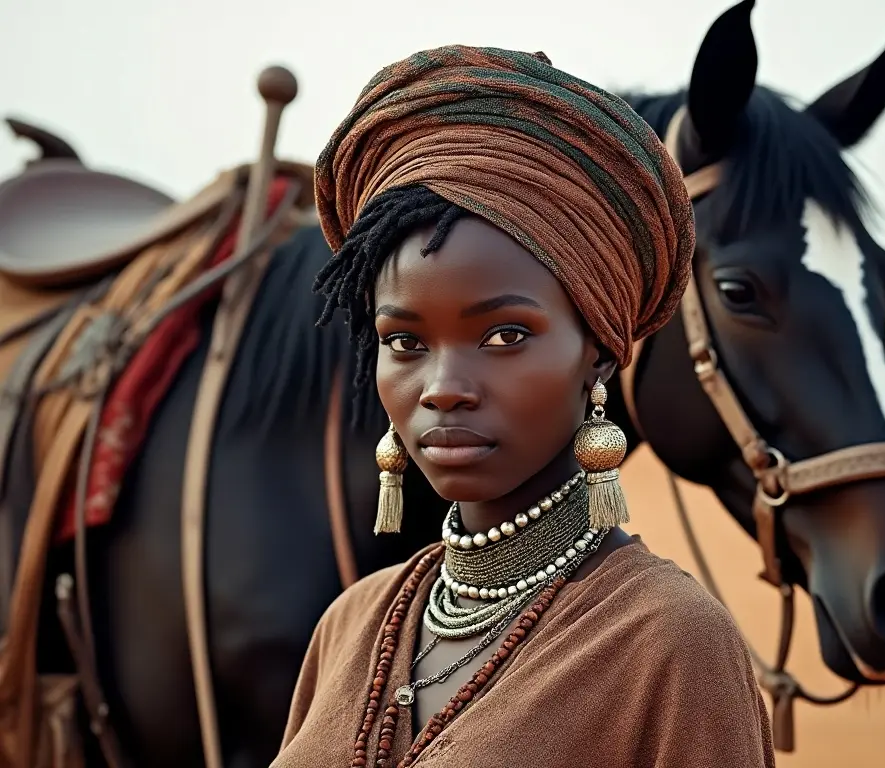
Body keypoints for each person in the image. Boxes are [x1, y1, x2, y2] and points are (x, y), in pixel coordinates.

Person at [272, 45, 774, 768]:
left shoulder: (669, 642)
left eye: (505, 335)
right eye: (405, 340)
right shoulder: (353, 623)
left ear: (598, 351)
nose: (443, 385)